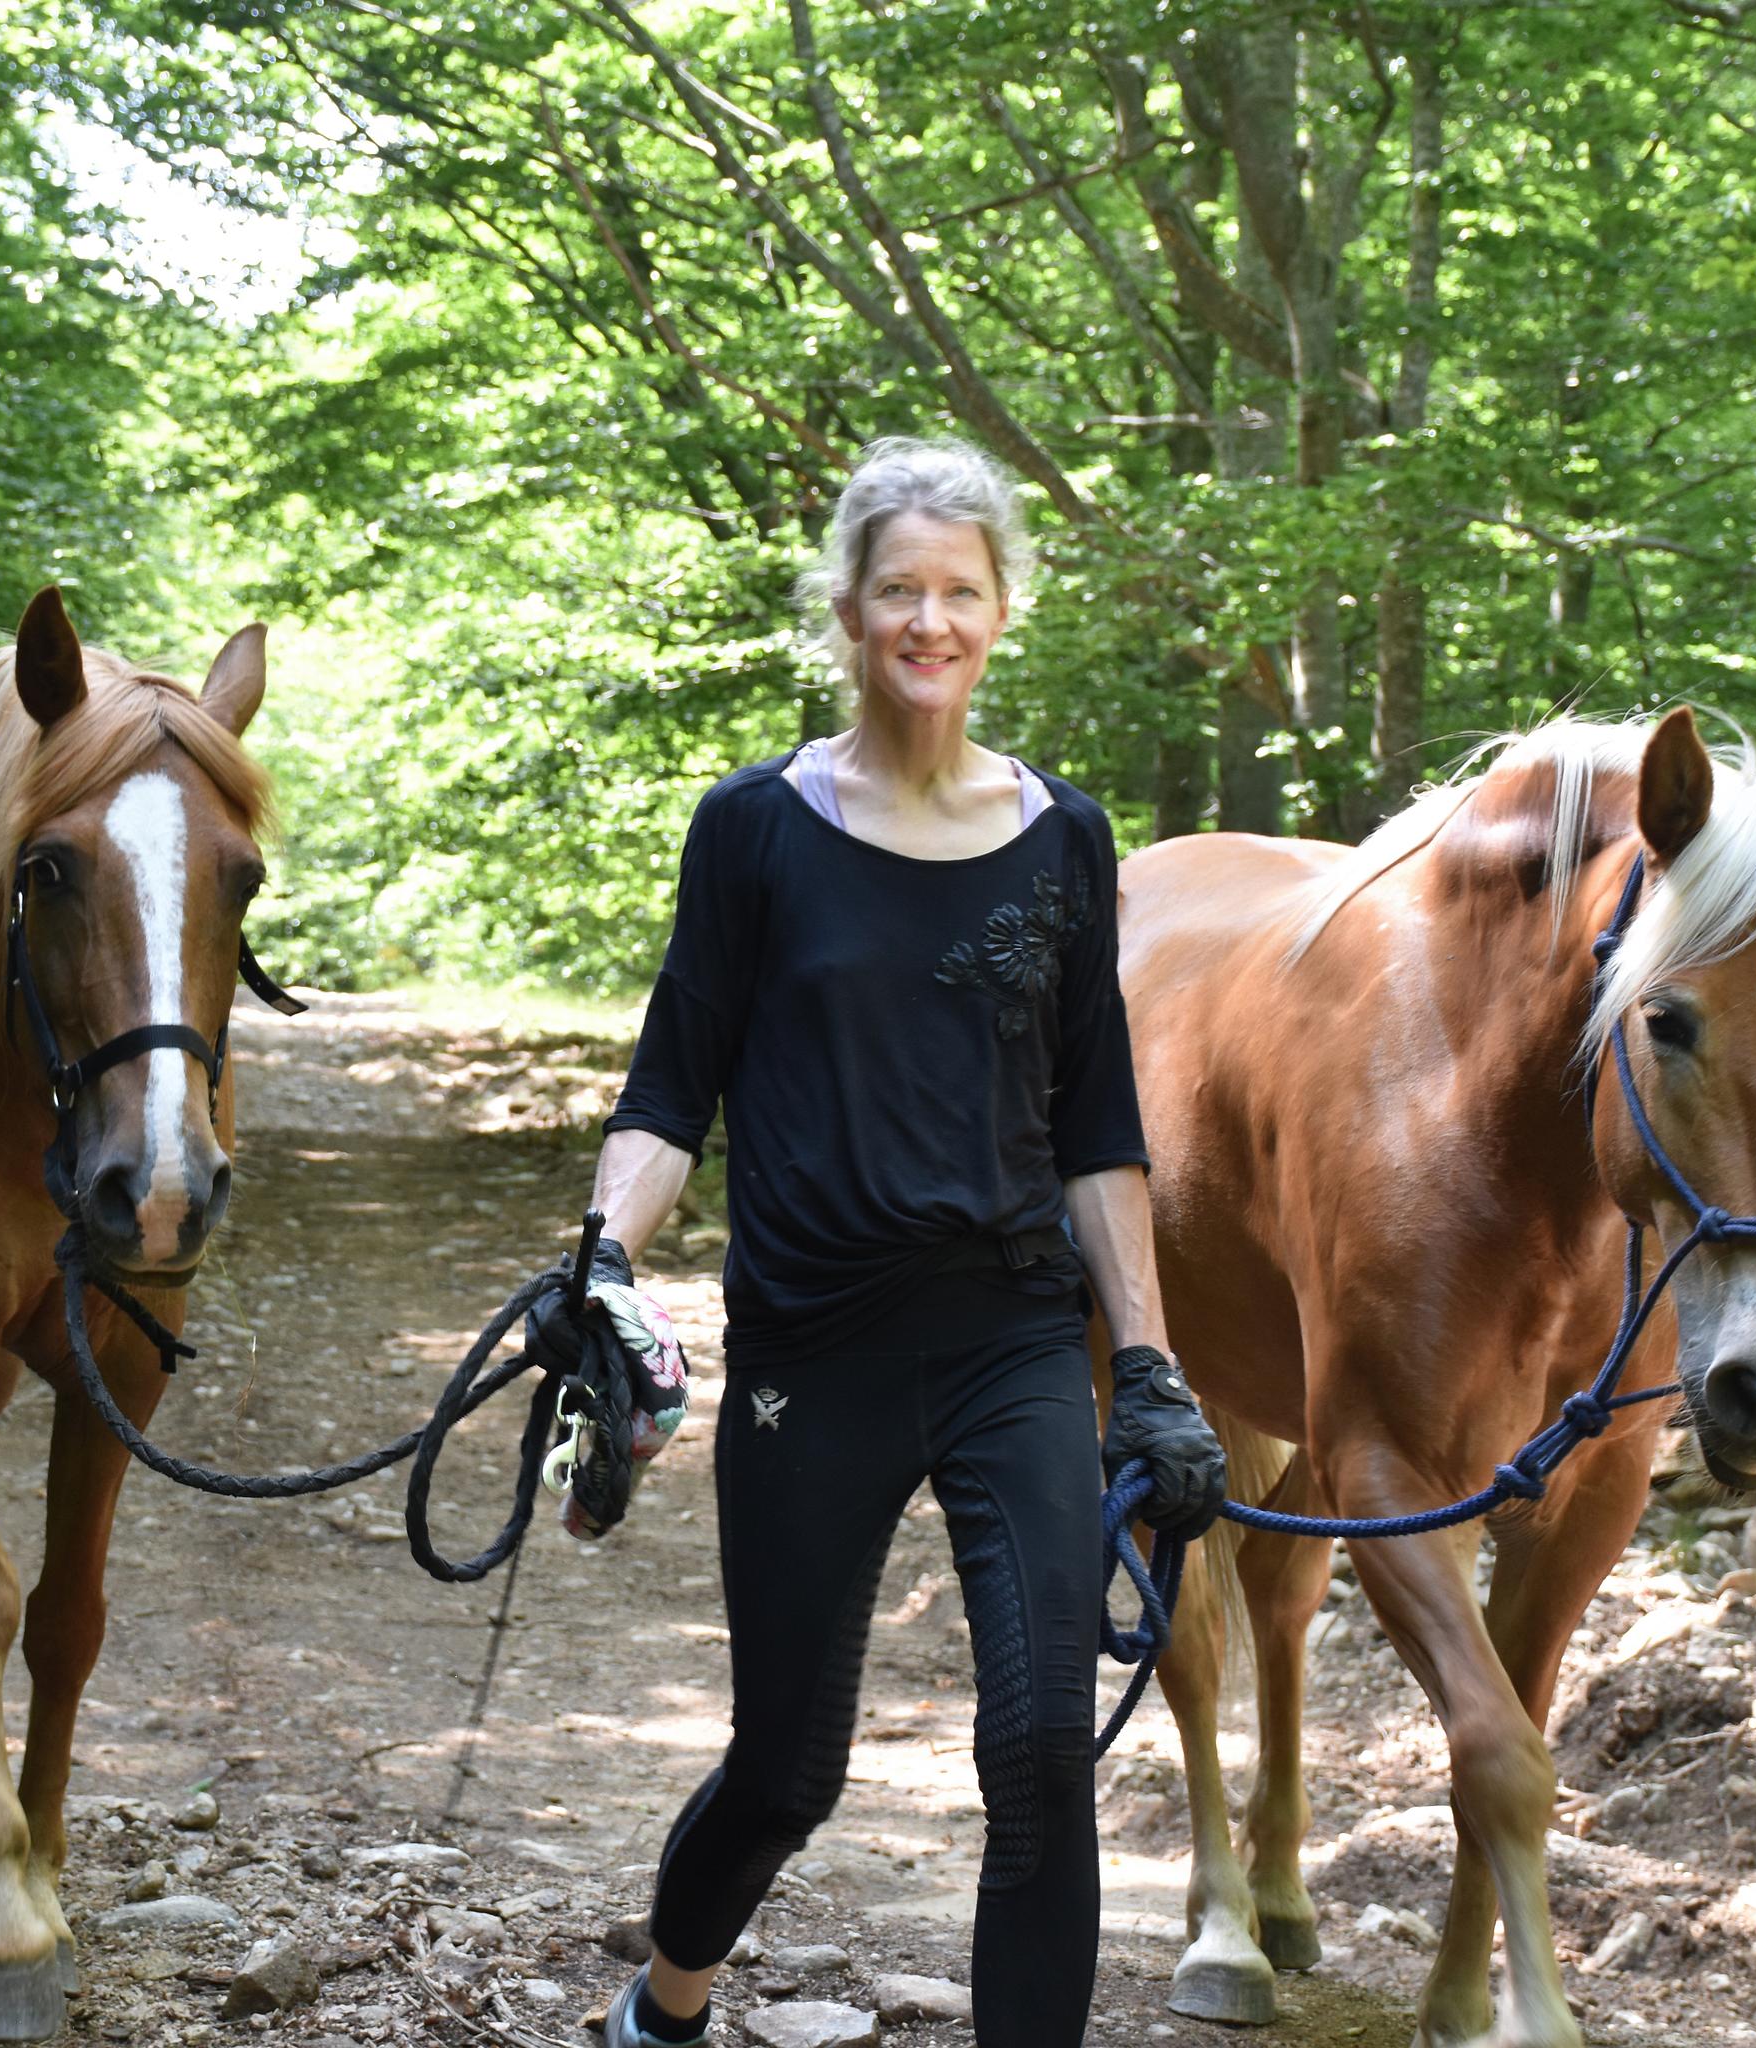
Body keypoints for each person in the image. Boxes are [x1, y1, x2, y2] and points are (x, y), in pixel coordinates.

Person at [526, 437, 1229, 2048]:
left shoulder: (1064, 845)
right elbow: (668, 1089)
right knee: (789, 1769)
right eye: (899, 588)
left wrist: (1149, 1362)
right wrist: (603, 1262)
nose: (930, 620)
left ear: (1003, 616)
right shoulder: (755, 832)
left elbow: (1098, 1129)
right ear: (847, 607)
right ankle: (667, 2003)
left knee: (1043, 1746)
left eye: (960, 592)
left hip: (1008, 1343)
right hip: (811, 1356)